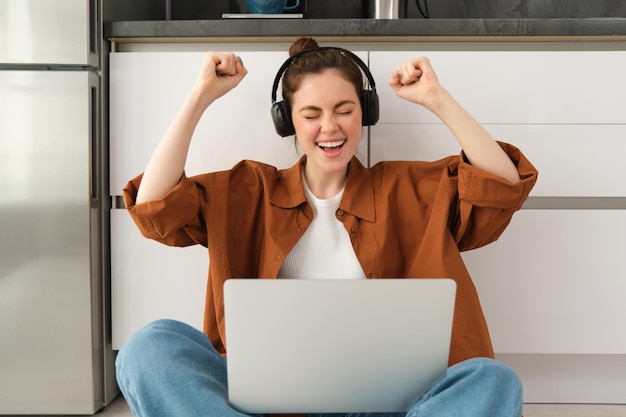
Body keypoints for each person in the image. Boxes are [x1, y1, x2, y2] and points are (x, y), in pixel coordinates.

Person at [116, 37, 538, 417]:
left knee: (493, 379)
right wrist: (199, 98)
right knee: (148, 347)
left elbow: (502, 185)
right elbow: (156, 205)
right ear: (288, 122)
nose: (330, 127)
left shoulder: (412, 188)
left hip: (390, 403)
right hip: (270, 403)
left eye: (345, 110)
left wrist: (436, 98)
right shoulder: (247, 190)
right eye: (311, 114)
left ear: (365, 113)